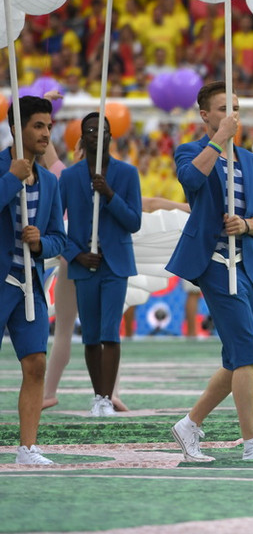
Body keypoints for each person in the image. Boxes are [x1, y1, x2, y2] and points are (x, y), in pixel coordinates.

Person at [166, 81, 253, 461]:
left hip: (246, 263)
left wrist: (248, 225)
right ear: (205, 115)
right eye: (222, 108)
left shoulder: (250, 161)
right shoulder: (190, 151)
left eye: (234, 107)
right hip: (214, 265)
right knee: (247, 354)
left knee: (236, 357)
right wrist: (218, 140)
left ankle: (189, 424)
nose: (231, 114)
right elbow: (190, 181)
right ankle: (252, 443)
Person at [59, 113, 142, 417]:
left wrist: (109, 194)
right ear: (82, 138)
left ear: (111, 136)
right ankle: (97, 396)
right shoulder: (68, 177)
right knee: (91, 333)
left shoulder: (128, 174)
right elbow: (56, 224)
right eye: (91, 130)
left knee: (110, 331)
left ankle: (107, 398)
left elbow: (133, 221)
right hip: (85, 264)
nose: (97, 134)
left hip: (116, 263)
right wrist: (76, 254)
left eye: (103, 130)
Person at [1, 96, 66, 464]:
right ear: (16, 127)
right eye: (38, 125)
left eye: (48, 125)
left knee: (36, 364)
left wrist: (41, 242)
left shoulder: (50, 182)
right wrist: (11, 178)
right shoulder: (2, 168)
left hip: (30, 283)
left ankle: (27, 448)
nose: (46, 132)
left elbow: (60, 236)